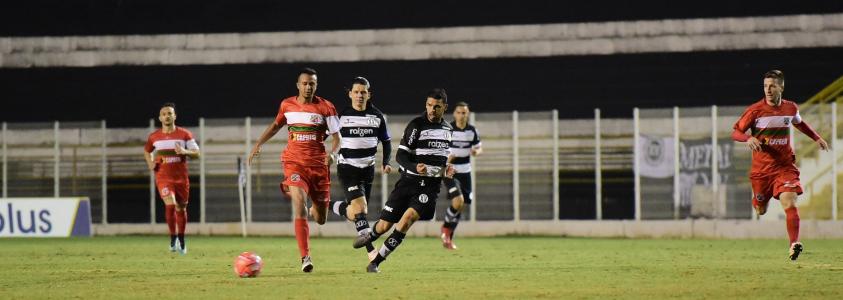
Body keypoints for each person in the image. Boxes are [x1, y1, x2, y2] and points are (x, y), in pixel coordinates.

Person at [248, 68, 341, 272]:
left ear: (316, 86)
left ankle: (313, 205)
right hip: (294, 162)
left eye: (312, 84)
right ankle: (305, 257)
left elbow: (337, 138)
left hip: (318, 166)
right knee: (298, 202)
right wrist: (258, 144)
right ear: (298, 85)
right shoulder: (287, 105)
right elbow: (275, 125)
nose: (308, 87)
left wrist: (333, 154)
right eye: (305, 83)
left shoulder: (326, 107)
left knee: (320, 219)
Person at [353, 88, 455, 273]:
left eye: (437, 107)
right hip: (408, 182)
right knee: (384, 225)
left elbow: (442, 159)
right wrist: (415, 167)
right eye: (429, 105)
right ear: (426, 105)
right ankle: (371, 235)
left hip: (429, 188)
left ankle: (375, 262)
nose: (432, 110)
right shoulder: (416, 125)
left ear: (444, 108)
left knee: (406, 220)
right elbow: (400, 156)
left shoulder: (448, 130)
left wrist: (447, 168)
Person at [732, 70, 829, 261]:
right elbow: (735, 132)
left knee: (789, 201)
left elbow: (799, 123)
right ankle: (758, 200)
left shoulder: (790, 108)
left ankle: (794, 244)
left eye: (772, 86)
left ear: (781, 87)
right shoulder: (755, 111)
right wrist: (748, 138)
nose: (768, 90)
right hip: (761, 171)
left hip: (784, 167)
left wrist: (817, 137)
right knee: (761, 209)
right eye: (765, 86)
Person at [327, 77, 393, 260]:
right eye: (356, 92)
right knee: (360, 207)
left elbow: (386, 142)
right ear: (350, 94)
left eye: (363, 92)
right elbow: (332, 138)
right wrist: (330, 155)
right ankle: (372, 252)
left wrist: (386, 161)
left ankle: (328, 205)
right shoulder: (342, 117)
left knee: (357, 212)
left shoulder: (377, 116)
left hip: (368, 170)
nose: (359, 95)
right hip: (347, 168)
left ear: (368, 94)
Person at [143, 102, 201, 255]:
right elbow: (147, 151)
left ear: (175, 116)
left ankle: (181, 239)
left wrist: (184, 151)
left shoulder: (184, 134)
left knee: (181, 208)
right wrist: (150, 163)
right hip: (163, 177)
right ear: (160, 118)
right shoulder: (154, 137)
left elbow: (197, 153)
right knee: (170, 204)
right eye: (164, 114)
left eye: (170, 113)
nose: (167, 116)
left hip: (181, 178)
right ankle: (172, 237)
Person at [440, 101, 482, 250]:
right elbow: (440, 149)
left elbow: (478, 147)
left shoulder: (472, 131)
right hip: (451, 171)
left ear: (468, 114)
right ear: (454, 114)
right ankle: (445, 228)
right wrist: (447, 159)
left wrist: (476, 152)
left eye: (464, 112)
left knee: (461, 205)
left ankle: (448, 238)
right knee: (458, 202)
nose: (461, 115)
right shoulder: (448, 129)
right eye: (459, 112)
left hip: (466, 172)